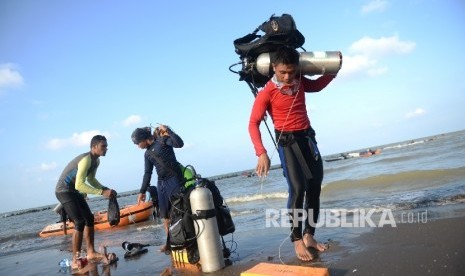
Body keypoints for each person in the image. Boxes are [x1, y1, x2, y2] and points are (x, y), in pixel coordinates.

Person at [248, 46, 338, 261]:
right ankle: (297, 239)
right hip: (287, 143)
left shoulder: (300, 81)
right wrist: (261, 152)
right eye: (282, 72)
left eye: (291, 71)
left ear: (297, 68)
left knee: (315, 188)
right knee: (298, 189)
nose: (287, 77)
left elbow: (316, 85)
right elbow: (253, 123)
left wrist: (333, 71)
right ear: (273, 68)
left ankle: (309, 236)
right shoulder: (267, 92)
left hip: (307, 138)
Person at [55, 135, 117, 269]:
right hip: (64, 190)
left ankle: (90, 252)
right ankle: (75, 259)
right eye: (103, 146)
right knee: (79, 222)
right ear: (94, 147)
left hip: (73, 191)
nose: (106, 148)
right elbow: (79, 185)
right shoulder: (86, 160)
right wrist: (101, 192)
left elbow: (91, 180)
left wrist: (105, 188)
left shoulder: (96, 161)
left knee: (89, 218)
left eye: (106, 146)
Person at [131, 124, 184, 251]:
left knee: (179, 210)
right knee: (164, 214)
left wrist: (168, 131)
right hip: (161, 182)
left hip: (174, 178)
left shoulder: (162, 140)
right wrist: (142, 191)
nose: (138, 146)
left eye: (137, 143)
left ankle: (185, 239)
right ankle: (169, 242)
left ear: (143, 139)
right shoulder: (147, 154)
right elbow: (147, 173)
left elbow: (179, 144)